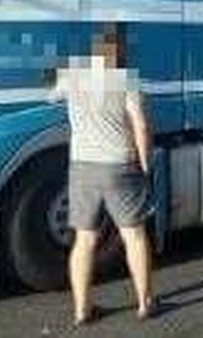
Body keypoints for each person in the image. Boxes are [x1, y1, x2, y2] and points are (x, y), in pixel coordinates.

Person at [50, 24, 157, 325]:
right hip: (119, 166)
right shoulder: (127, 80)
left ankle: (82, 309)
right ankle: (145, 303)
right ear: (121, 51)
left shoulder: (74, 75)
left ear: (96, 50)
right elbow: (141, 126)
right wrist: (146, 164)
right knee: (134, 234)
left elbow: (52, 94)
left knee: (84, 240)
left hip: (83, 165)